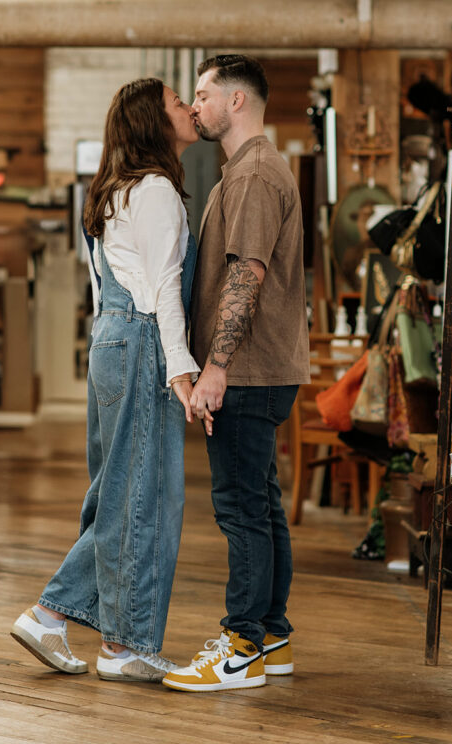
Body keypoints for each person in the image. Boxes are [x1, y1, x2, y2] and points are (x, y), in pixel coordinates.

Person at [12, 77, 203, 683]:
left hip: (111, 339)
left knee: (118, 490)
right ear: (155, 122)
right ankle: (95, 632)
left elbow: (108, 292)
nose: (189, 109)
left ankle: (105, 636)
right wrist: (181, 368)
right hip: (143, 340)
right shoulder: (157, 191)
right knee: (146, 495)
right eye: (178, 102)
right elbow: (164, 291)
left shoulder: (112, 191)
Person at [163, 54, 310, 694]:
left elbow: (245, 275)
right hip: (263, 368)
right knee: (261, 501)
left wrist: (216, 367)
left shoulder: (252, 175)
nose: (195, 107)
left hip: (246, 370)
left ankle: (241, 644)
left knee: (240, 508)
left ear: (238, 101)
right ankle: (271, 636)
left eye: (203, 94)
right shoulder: (251, 170)